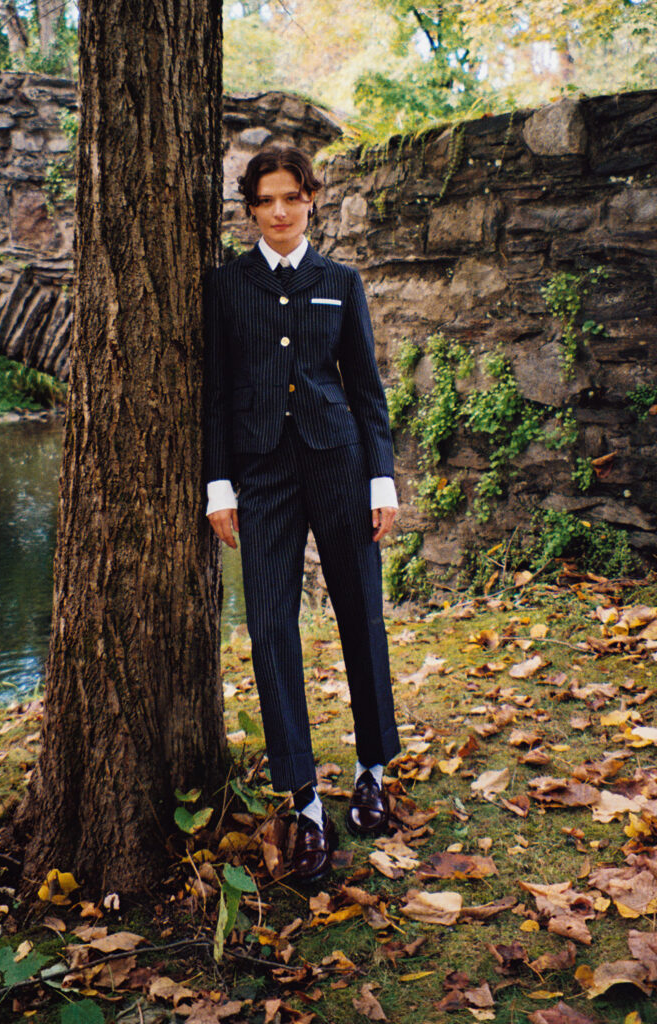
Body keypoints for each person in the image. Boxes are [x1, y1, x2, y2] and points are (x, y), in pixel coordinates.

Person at [203, 145, 400, 883]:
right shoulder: (226, 285)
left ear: (311, 199)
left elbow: (367, 390)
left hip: (339, 464)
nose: (279, 211)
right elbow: (216, 392)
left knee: (360, 614)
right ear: (250, 209)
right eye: (265, 201)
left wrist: (381, 479)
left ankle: (373, 767)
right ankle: (306, 802)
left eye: (291, 197)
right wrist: (219, 486)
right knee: (270, 628)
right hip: (261, 475)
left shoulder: (339, 282)